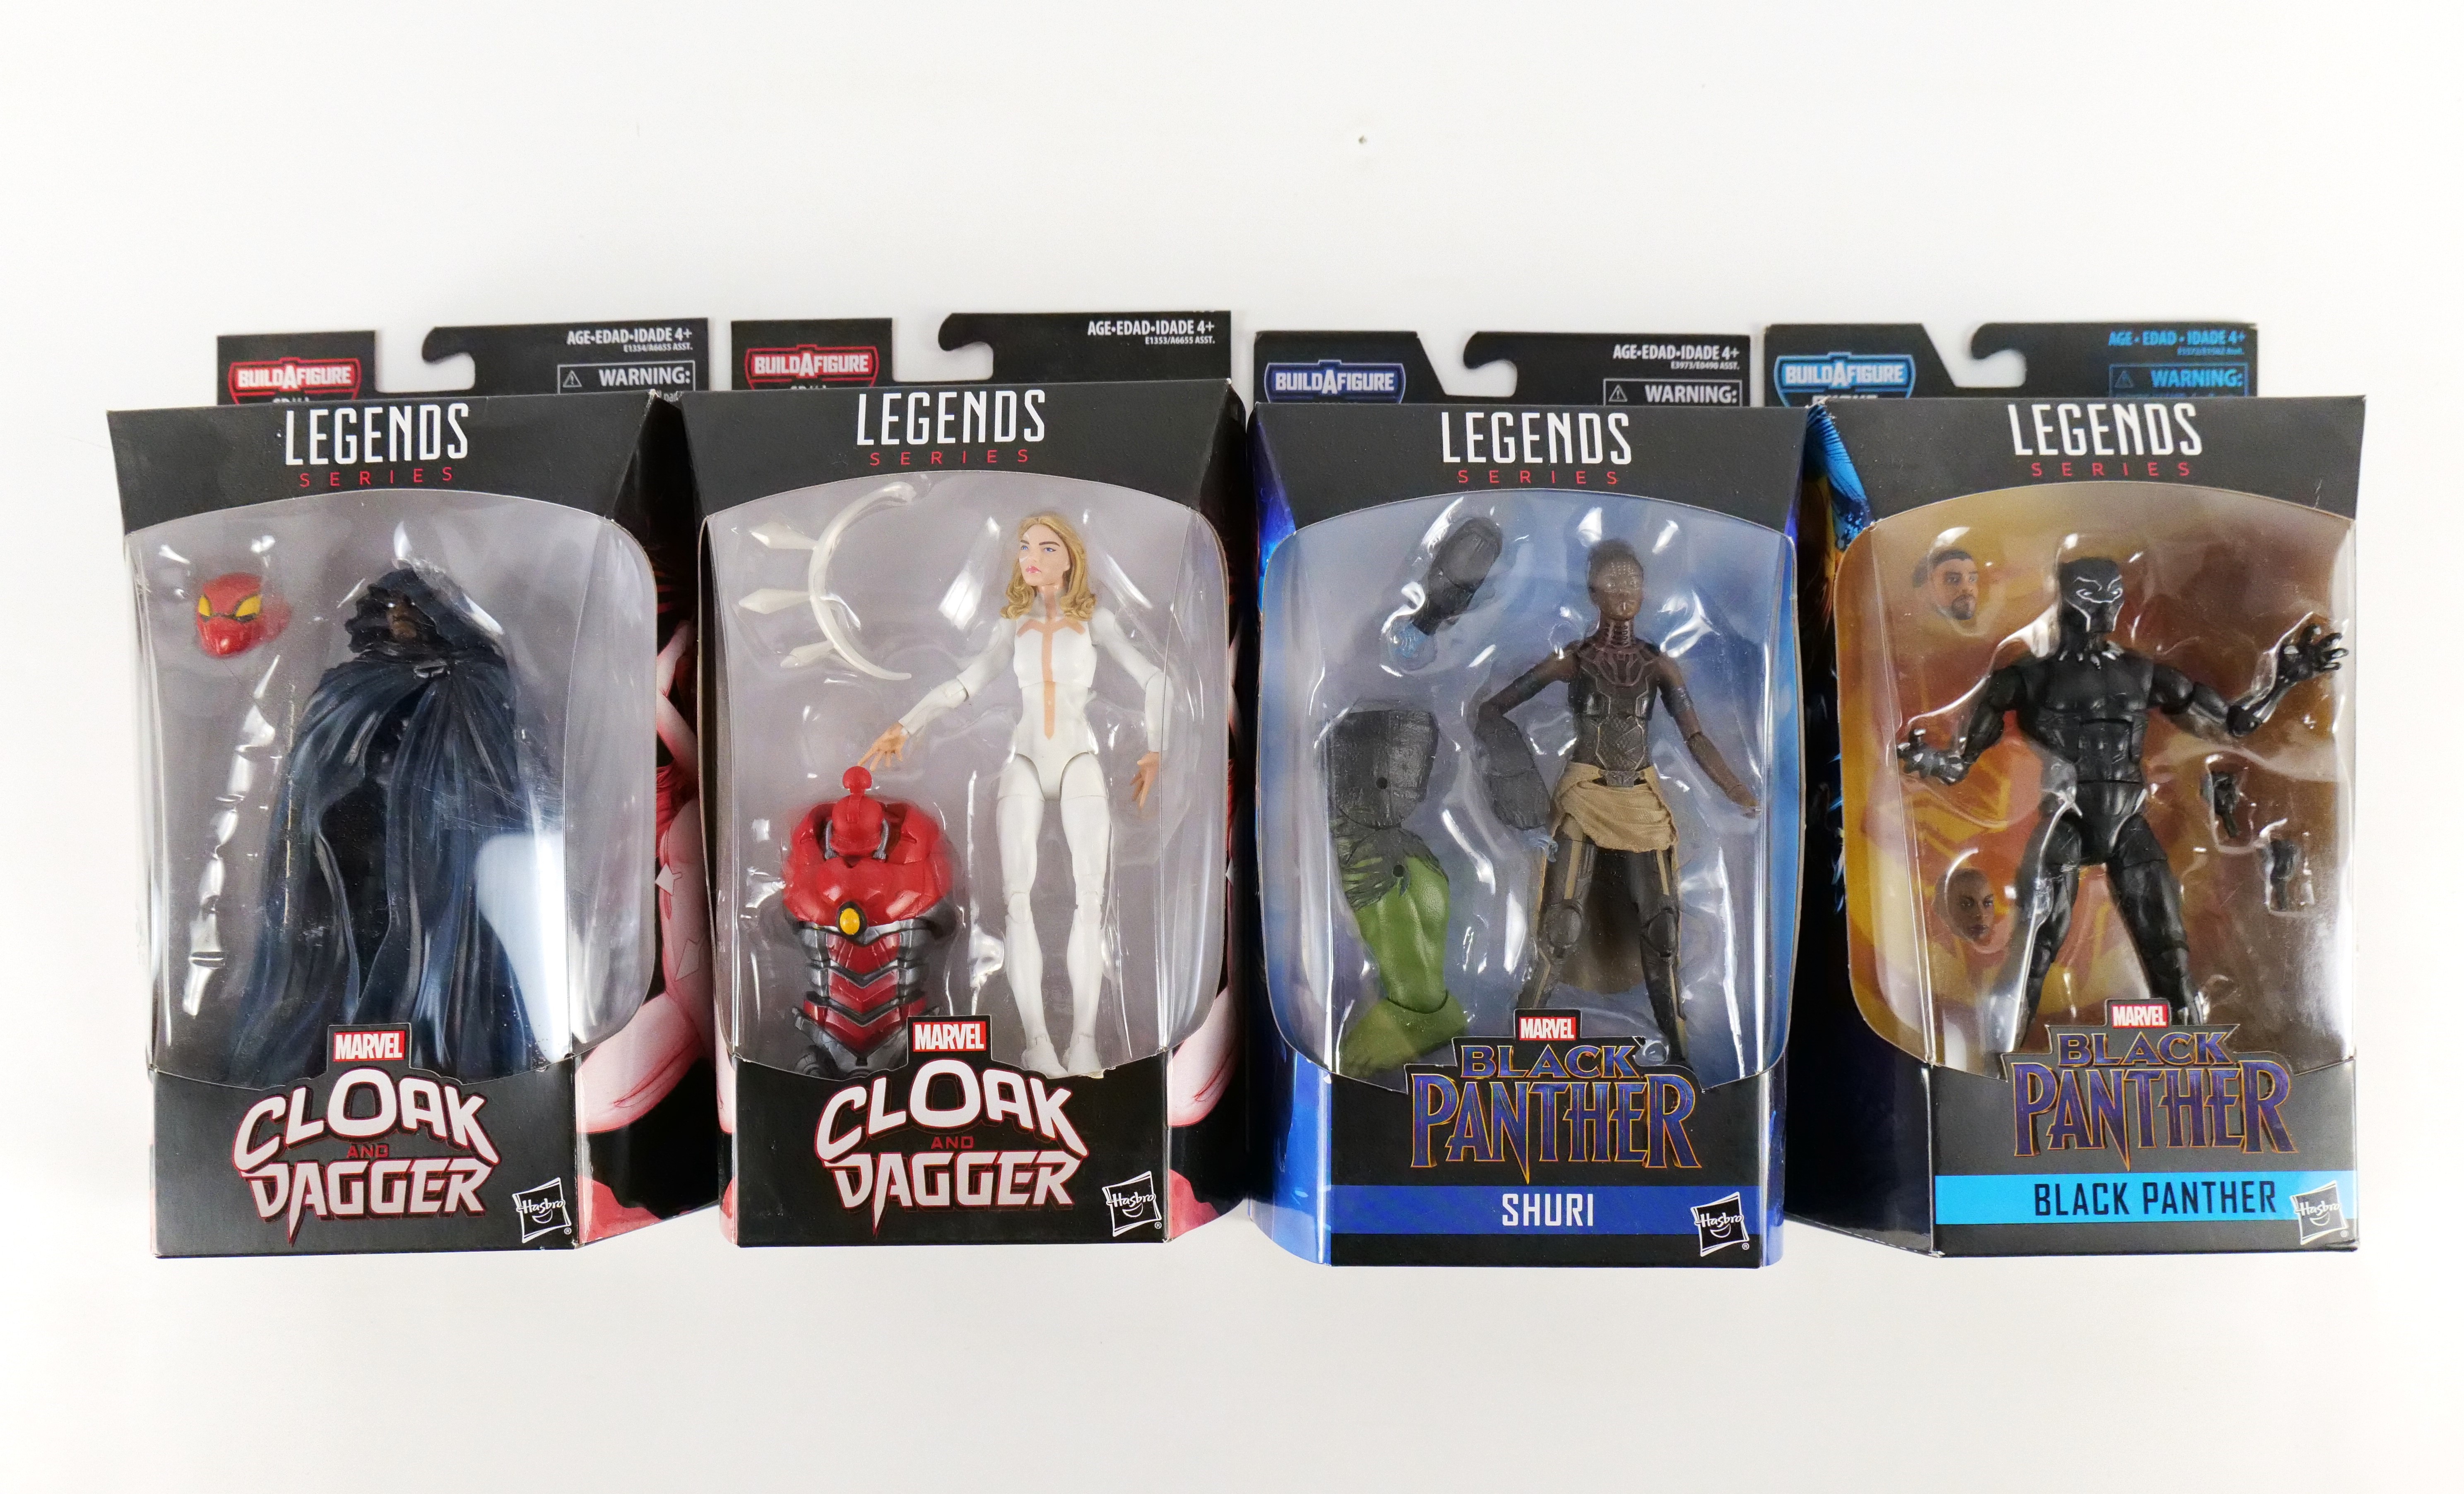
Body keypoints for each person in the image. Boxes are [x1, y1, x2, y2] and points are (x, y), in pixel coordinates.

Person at [863, 512, 1165, 1076]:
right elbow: (967, 683)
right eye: (1025, 546)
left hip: (1079, 758)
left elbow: (1155, 678)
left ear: (1071, 557)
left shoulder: (1095, 621)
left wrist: (1156, 748)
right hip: (1024, 759)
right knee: (1017, 903)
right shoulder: (1013, 624)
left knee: (1091, 899)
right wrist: (908, 724)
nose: (1031, 557)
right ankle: (1038, 1044)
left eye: (1047, 547)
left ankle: (1084, 1043)